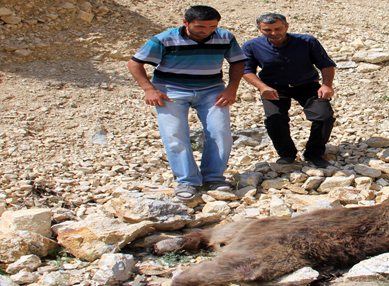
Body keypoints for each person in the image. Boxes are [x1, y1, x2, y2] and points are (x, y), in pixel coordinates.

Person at [127, 5, 247, 200]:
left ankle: (214, 178)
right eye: (200, 27)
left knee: (220, 132)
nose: (206, 31)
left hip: (211, 90)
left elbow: (237, 61)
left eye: (212, 26)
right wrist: (149, 89)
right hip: (170, 91)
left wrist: (232, 88)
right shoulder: (164, 39)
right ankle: (187, 181)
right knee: (174, 134)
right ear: (185, 23)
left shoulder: (225, 37)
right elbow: (135, 63)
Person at [242, 13, 337, 168]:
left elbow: (325, 64)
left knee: (324, 117)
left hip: (307, 85)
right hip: (273, 88)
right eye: (267, 30)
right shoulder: (251, 46)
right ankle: (286, 154)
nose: (273, 33)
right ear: (259, 29)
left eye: (277, 28)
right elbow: (246, 70)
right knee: (274, 118)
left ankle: (314, 153)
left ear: (286, 26)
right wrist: (262, 87)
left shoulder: (307, 41)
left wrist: (326, 85)